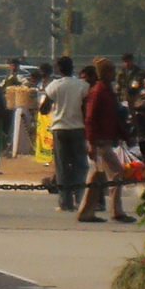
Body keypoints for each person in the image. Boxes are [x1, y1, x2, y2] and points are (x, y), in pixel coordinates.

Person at [78, 59, 133, 223]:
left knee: (96, 176)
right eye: (111, 71)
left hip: (103, 140)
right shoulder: (98, 91)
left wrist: (126, 136)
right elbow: (90, 119)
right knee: (116, 172)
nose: (114, 74)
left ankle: (86, 212)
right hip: (100, 142)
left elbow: (113, 118)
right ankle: (117, 211)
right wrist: (91, 143)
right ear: (104, 73)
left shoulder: (106, 91)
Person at [40, 55, 89, 213]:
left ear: (59, 69)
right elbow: (86, 108)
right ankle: (80, 199)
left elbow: (44, 109)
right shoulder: (82, 85)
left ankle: (65, 202)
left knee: (62, 166)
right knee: (80, 165)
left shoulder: (54, 86)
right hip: (78, 128)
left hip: (59, 128)